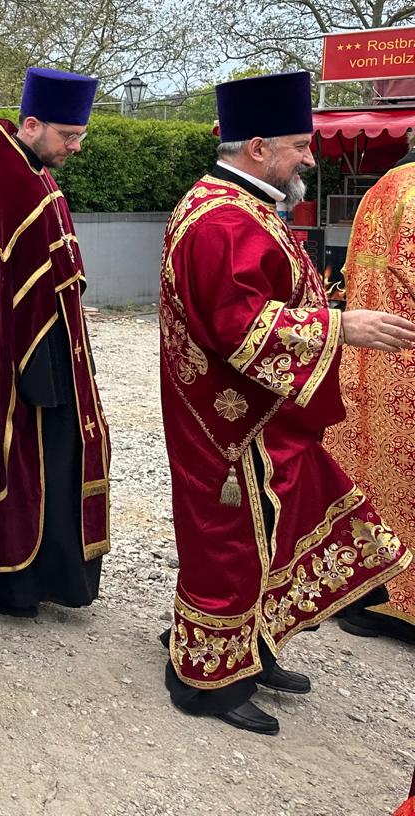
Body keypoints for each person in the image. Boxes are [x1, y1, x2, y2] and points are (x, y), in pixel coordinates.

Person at [159, 70, 413, 734]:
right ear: (258, 146)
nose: (309, 159)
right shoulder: (222, 219)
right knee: (231, 546)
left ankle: (251, 647)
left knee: (272, 536)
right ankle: (205, 681)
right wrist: (340, 326)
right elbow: (236, 327)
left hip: (254, 411)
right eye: (301, 146)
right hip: (231, 423)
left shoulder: (239, 203)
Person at [0, 67, 110, 618]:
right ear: (31, 125)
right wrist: (40, 374)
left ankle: (44, 575)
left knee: (55, 463)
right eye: (69, 135)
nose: (76, 146)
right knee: (31, 464)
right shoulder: (9, 185)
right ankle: (10, 581)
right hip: (24, 363)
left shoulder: (31, 173)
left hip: (52, 350)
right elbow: (8, 295)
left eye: (80, 136)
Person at [328, 131, 415, 644]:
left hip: (365, 362)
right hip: (405, 363)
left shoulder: (382, 186)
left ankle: (357, 591)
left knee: (366, 477)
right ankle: (399, 603)